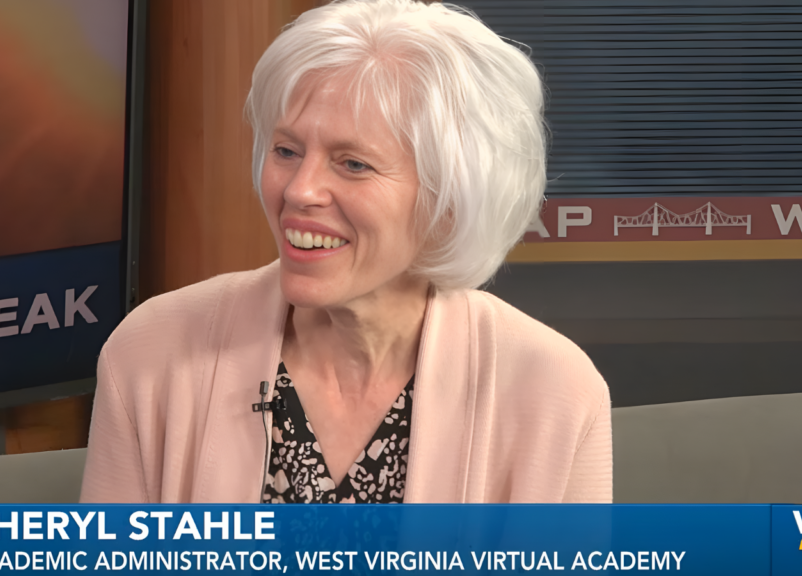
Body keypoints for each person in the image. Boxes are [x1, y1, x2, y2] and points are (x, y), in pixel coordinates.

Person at [80, 0, 611, 504]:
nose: (298, 190)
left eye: (353, 163)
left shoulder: (552, 393)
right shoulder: (151, 356)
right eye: (286, 151)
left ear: (450, 202)